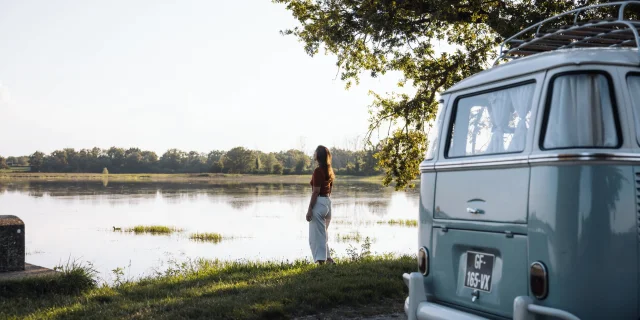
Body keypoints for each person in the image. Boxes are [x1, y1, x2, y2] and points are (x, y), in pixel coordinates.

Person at [306, 145, 335, 264]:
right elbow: (330, 189)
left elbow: (316, 191)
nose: (314, 154)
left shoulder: (318, 171)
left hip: (319, 203)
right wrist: (325, 202)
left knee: (316, 236)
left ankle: (320, 261)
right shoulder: (329, 170)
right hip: (327, 202)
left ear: (318, 156)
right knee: (323, 234)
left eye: (315, 152)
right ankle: (329, 259)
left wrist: (310, 209)